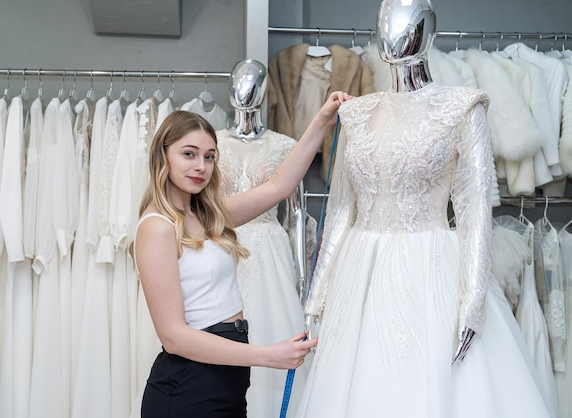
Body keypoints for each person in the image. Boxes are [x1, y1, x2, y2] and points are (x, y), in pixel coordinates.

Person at [295, 1, 557, 417]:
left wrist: (472, 304)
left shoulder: (461, 107)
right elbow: (341, 210)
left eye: (407, 26)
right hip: (358, 275)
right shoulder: (356, 113)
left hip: (430, 265)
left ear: (427, 34)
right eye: (385, 25)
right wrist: (317, 297)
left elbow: (474, 211)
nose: (394, 35)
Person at [132, 90, 351, 417]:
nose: (201, 166)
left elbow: (279, 187)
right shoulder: (157, 227)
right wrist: (268, 356)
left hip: (226, 378)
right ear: (162, 157)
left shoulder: (205, 217)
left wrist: (322, 120)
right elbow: (174, 336)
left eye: (209, 156)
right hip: (188, 385)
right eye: (189, 154)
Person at [216, 59, 312, 418]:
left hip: (270, 254)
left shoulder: (285, 145)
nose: (244, 92)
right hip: (224, 247)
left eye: (253, 84)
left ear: (264, 91)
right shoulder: (212, 144)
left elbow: (298, 216)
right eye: (238, 84)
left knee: (272, 331)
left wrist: (302, 281)